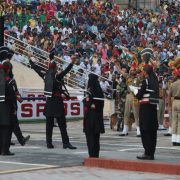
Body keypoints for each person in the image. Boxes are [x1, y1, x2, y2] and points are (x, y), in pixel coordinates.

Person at [28, 51, 76, 149]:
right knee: (62, 124)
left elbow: (36, 68)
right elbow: (66, 71)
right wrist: (72, 62)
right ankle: (65, 143)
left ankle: (49, 143)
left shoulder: (46, 76)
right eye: (57, 66)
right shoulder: (57, 77)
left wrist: (30, 60)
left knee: (49, 125)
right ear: (54, 68)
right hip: (57, 102)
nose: (58, 67)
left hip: (49, 102)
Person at [130, 63, 159, 160]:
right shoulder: (155, 81)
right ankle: (151, 153)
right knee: (152, 130)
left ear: (145, 72)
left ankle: (147, 152)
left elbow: (139, 95)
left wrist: (134, 91)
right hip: (153, 107)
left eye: (143, 71)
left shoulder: (145, 81)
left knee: (145, 129)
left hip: (145, 108)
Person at [83, 73, 105, 158]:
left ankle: (92, 156)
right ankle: (96, 156)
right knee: (96, 139)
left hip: (91, 118)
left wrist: (88, 103)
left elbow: (87, 102)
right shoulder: (99, 90)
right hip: (97, 118)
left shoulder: (90, 91)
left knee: (90, 138)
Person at [168, 64, 180, 146]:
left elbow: (169, 96)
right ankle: (178, 140)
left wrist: (169, 105)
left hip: (174, 101)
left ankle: (174, 139)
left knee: (174, 121)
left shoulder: (172, 84)